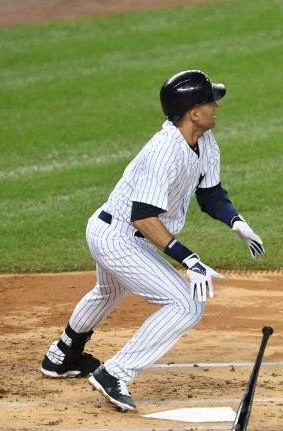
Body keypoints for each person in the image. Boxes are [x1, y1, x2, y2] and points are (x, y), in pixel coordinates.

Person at [39, 70, 265, 412]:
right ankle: (114, 372)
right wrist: (189, 259)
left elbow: (211, 194)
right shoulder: (164, 151)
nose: (216, 108)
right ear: (193, 112)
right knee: (186, 305)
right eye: (210, 102)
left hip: (120, 232)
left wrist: (236, 222)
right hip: (118, 236)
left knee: (109, 291)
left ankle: (62, 356)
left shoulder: (205, 142)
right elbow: (143, 217)